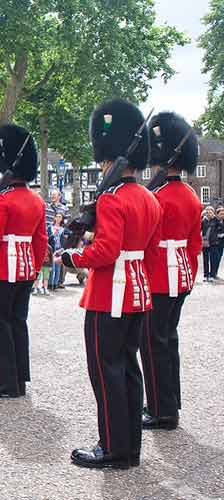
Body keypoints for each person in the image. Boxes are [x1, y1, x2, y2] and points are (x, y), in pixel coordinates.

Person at [61, 99, 161, 470]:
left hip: (109, 295)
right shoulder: (150, 198)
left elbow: (105, 251)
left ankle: (112, 448)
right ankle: (129, 446)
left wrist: (73, 258)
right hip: (137, 293)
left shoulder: (112, 199)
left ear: (108, 158)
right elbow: (146, 251)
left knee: (106, 373)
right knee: (129, 371)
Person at [141, 111, 203, 431]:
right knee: (168, 338)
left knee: (152, 342)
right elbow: (195, 246)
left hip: (158, 278)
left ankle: (161, 410)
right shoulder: (192, 197)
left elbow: (148, 244)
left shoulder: (157, 197)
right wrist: (188, 274)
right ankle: (167, 398)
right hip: (181, 276)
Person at [0, 123, 47, 398]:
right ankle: (19, 378)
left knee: (0, 325)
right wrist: (33, 266)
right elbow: (41, 241)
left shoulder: (2, 200)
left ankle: (5, 382)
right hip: (26, 270)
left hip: (0, 270)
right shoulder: (37, 200)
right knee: (18, 322)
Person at [48, 213, 66, 291]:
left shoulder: (63, 229)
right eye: (57, 216)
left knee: (58, 268)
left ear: (62, 219)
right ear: (54, 218)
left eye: (60, 217)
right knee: (52, 268)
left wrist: (62, 248)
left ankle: (55, 284)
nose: (58, 218)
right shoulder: (50, 227)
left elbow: (65, 240)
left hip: (59, 249)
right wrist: (53, 234)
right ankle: (49, 284)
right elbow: (47, 238)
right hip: (51, 249)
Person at [201, 206, 216, 281]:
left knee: (213, 259)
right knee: (205, 259)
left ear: (213, 212)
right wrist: (201, 217)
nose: (209, 213)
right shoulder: (203, 221)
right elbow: (198, 229)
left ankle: (212, 275)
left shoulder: (215, 220)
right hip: (205, 243)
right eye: (207, 212)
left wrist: (215, 218)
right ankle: (206, 275)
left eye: (210, 211)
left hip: (213, 243)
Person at [209, 207, 224, 280]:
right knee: (214, 259)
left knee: (218, 259)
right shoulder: (214, 221)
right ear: (217, 214)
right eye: (221, 214)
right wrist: (218, 235)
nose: (222, 215)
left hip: (221, 244)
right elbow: (212, 232)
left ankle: (215, 273)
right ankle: (212, 274)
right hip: (214, 243)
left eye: (223, 214)